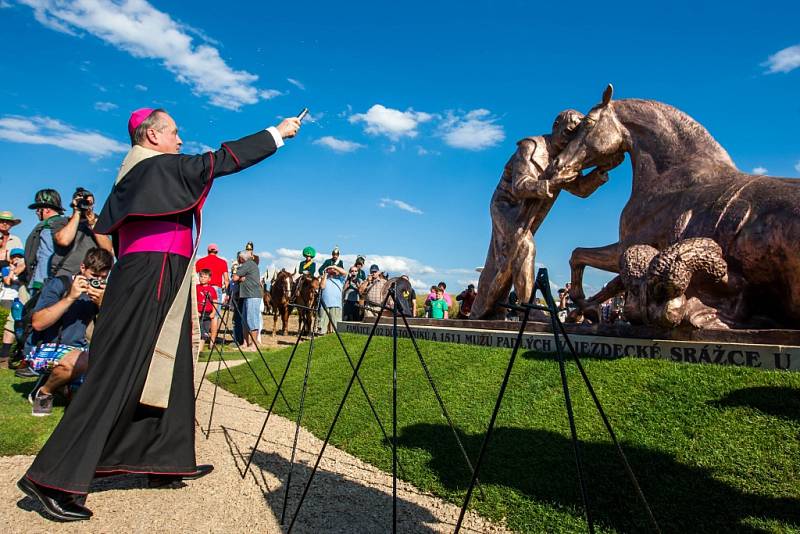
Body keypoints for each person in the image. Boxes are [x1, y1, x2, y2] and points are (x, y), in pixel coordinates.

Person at [17, 107, 301, 522]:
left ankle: (162, 459)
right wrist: (277, 133)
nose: (180, 140)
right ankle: (51, 478)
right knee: (117, 367)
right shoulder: (151, 168)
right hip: (150, 270)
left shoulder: (142, 170)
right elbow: (217, 162)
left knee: (170, 366)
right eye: (174, 132)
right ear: (151, 136)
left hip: (164, 270)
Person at [470, 110, 613, 319]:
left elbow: (580, 189)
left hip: (530, 212)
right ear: (556, 126)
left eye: (575, 136)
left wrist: (600, 172)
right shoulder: (531, 147)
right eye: (568, 132)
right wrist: (551, 182)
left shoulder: (565, 159)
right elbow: (519, 186)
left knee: (504, 260)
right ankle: (530, 309)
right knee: (524, 246)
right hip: (506, 206)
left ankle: (486, 309)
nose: (569, 139)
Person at [26, 248, 112, 416]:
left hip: (79, 350)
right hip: (42, 348)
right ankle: (45, 391)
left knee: (89, 399)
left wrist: (103, 304)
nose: (97, 281)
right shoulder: (59, 284)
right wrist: (70, 297)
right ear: (82, 268)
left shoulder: (101, 292)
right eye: (94, 276)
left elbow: (110, 329)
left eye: (103, 278)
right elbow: (38, 323)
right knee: (82, 361)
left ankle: (65, 386)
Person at [51, 187, 114, 277]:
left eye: (89, 203)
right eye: (82, 201)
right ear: (73, 202)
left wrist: (93, 224)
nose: (85, 205)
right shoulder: (61, 222)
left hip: (90, 275)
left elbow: (108, 249)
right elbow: (64, 241)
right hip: (64, 275)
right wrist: (77, 212)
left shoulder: (99, 223)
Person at [24, 189, 67, 295]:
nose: (36, 212)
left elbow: (46, 254)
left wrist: (39, 282)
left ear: (46, 209)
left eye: (39, 209)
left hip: (43, 281)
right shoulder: (65, 223)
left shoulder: (49, 225)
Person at [0, 248, 26, 364]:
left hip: (18, 299)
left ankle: (18, 354)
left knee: (20, 325)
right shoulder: (6, 269)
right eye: (14, 256)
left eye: (19, 257)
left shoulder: (25, 269)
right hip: (7, 299)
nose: (17, 259)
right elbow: (7, 281)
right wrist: (12, 270)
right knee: (8, 324)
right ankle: (4, 357)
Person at [232, 250, 262, 350]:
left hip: (252, 296)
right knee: (244, 320)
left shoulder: (247, 264)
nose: (238, 259)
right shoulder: (250, 264)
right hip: (247, 296)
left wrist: (239, 277)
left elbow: (235, 278)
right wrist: (241, 278)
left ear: (242, 258)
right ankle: (245, 343)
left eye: (239, 258)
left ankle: (254, 345)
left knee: (252, 320)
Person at [317, 265, 345, 334]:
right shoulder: (324, 279)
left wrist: (334, 267)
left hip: (336, 305)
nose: (332, 271)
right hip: (324, 305)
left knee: (336, 325)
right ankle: (321, 335)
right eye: (330, 270)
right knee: (322, 325)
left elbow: (344, 273)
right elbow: (322, 286)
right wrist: (325, 274)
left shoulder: (340, 279)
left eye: (334, 270)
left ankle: (335, 338)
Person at [196, 269, 217, 353]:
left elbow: (215, 302)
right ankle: (195, 348)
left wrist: (213, 312)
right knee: (197, 330)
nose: (203, 278)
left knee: (204, 332)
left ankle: (200, 350)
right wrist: (195, 311)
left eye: (205, 277)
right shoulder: (196, 287)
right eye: (201, 276)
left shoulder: (211, 289)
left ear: (209, 279)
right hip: (197, 313)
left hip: (207, 314)